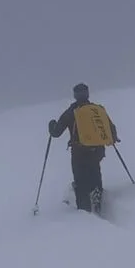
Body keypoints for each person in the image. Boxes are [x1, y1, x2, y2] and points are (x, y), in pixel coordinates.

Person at [48, 83, 117, 214]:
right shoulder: (97, 110)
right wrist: (112, 139)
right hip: (97, 150)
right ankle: (97, 196)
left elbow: (56, 132)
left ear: (75, 95)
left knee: (80, 180)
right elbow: (111, 128)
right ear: (87, 94)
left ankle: (84, 210)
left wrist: (51, 125)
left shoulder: (71, 112)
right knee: (95, 173)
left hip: (79, 152)